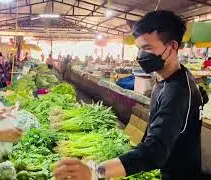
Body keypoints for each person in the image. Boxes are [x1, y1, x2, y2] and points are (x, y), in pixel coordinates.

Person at [54, 10, 209, 180]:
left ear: (172, 47)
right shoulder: (176, 78)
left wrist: (95, 171)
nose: (141, 56)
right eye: (139, 48)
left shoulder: (176, 91)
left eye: (147, 48)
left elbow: (154, 151)